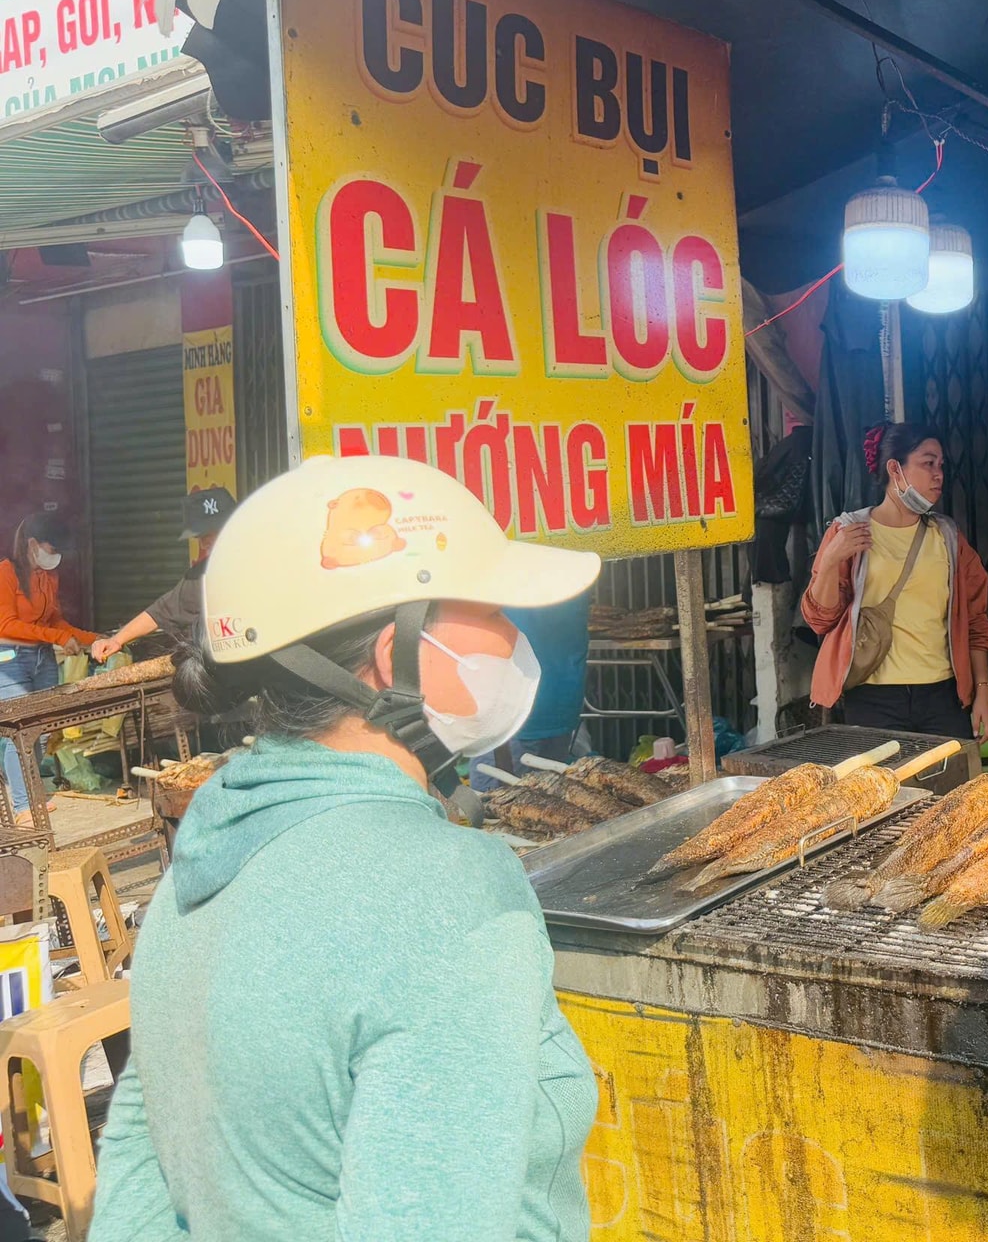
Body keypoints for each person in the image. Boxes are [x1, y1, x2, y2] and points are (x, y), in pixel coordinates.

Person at [91, 454, 600, 1241]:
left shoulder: (195, 871)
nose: (513, 635)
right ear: (399, 660)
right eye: (493, 612)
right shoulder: (450, 896)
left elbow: (134, 1191)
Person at [803, 423, 988, 743]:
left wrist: (983, 693)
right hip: (873, 699)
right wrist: (830, 561)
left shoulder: (947, 537)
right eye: (927, 463)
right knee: (883, 793)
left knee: (950, 792)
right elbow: (819, 619)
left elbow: (976, 623)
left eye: (941, 465)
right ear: (895, 468)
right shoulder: (849, 532)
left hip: (942, 697)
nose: (939, 475)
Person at [0, 513, 96, 814]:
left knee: (38, 729)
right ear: (32, 544)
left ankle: (32, 797)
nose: (55, 557)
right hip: (9, 658)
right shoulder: (6, 572)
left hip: (42, 658)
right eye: (51, 550)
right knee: (20, 730)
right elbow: (5, 624)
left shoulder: (48, 575)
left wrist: (94, 639)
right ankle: (22, 806)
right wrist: (56, 636)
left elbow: (54, 618)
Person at [91, 487, 236, 662]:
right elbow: (161, 611)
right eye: (200, 537)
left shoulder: (267, 558)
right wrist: (116, 640)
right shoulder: (201, 577)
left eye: (209, 535)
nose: (204, 544)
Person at [476, 590, 594, 791]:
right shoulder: (572, 577)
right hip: (562, 704)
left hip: (512, 716)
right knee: (551, 805)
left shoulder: (501, 578)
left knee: (496, 809)